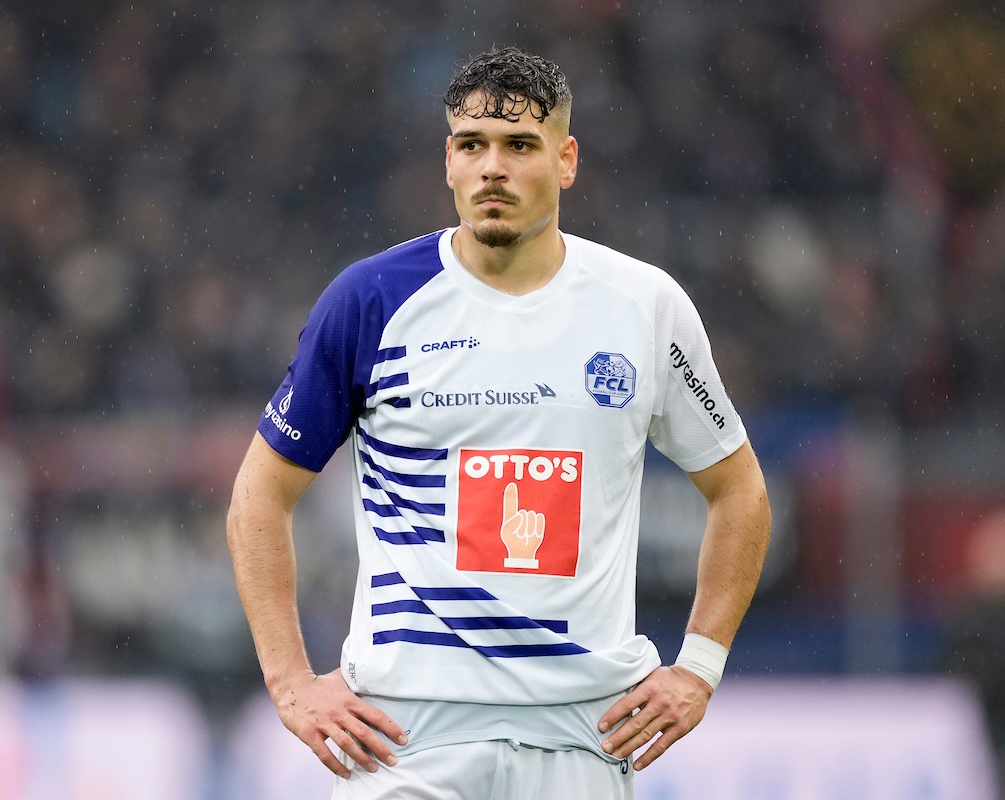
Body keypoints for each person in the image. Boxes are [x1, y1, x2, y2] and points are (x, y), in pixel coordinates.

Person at [227, 46, 772, 799]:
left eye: (520, 145)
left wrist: (700, 667)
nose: (493, 168)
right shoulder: (371, 302)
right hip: (406, 740)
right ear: (448, 162)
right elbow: (259, 493)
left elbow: (739, 488)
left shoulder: (645, 307)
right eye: (472, 145)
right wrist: (289, 682)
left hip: (584, 736)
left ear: (566, 160)